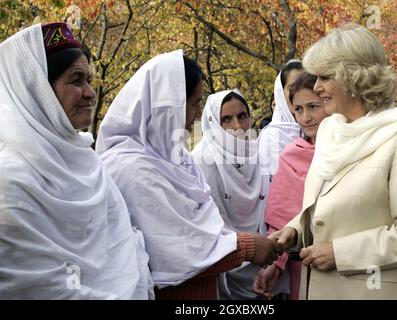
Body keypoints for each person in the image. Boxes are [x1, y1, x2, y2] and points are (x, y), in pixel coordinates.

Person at [270, 23, 397, 299]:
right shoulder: (332, 131)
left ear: (355, 77)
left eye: (325, 77)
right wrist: (295, 230)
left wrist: (339, 253)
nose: (316, 88)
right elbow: (328, 205)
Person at [95, 50, 282, 300]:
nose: (196, 114)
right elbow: (177, 249)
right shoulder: (130, 168)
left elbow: (205, 226)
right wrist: (247, 247)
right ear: (168, 105)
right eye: (193, 103)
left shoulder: (176, 159)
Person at [0, 22, 152, 299]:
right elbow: (39, 289)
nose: (91, 93)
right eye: (76, 80)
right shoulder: (10, 182)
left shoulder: (89, 165)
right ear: (37, 91)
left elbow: (125, 249)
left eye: (89, 80)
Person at [192, 89, 285, 299]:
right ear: (213, 123)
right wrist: (246, 250)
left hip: (270, 264)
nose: (237, 127)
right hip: (224, 270)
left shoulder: (260, 153)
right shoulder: (200, 163)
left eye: (242, 116)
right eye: (226, 119)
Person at [253, 72, 328, 300]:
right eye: (298, 109)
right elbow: (280, 219)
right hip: (306, 264)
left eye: (313, 106)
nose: (306, 118)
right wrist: (275, 264)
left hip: (350, 258)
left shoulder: (351, 150)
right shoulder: (291, 156)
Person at [258, 60, 303, 180]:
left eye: (305, 86)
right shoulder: (271, 137)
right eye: (292, 87)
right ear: (281, 93)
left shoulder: (318, 128)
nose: (299, 93)